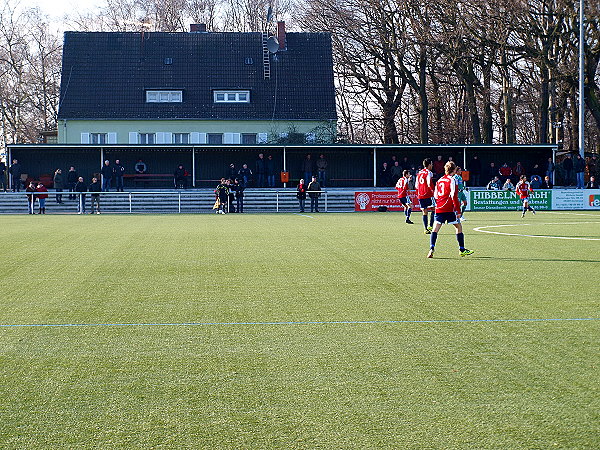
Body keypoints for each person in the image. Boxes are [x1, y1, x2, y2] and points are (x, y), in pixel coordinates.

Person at [427, 161, 474, 258]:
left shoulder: (439, 180)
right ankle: (462, 249)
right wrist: (458, 211)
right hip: (449, 208)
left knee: (435, 229)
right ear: (454, 170)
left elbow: (435, 195)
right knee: (458, 227)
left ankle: (431, 248)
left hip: (439, 208)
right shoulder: (452, 180)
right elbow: (454, 196)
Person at [415, 158, 435, 234]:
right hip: (428, 194)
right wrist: (433, 191)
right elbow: (429, 183)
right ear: (429, 164)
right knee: (434, 209)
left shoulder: (419, 173)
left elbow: (416, 185)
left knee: (424, 212)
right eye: (432, 164)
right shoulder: (428, 172)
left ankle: (425, 228)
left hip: (420, 195)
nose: (432, 165)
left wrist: (419, 193)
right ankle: (430, 225)